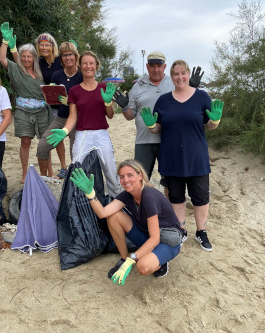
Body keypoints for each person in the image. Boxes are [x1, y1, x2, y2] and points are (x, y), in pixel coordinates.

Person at [141, 60, 224, 252]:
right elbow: (157, 129)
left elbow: (209, 126)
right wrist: (151, 125)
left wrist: (216, 120)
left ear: (188, 75)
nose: (180, 77)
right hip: (171, 156)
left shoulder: (202, 97)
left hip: (196, 155)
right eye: (176, 74)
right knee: (176, 197)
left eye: (183, 73)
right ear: (172, 76)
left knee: (201, 197)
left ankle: (201, 231)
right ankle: (181, 228)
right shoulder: (163, 100)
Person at [70, 159, 183, 282]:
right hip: (148, 236)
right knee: (113, 216)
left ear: (140, 175)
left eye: (130, 175)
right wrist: (90, 194)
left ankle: (162, 261)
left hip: (167, 240)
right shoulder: (127, 195)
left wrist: (133, 257)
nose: (125, 180)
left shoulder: (149, 196)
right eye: (122, 177)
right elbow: (102, 213)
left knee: (143, 266)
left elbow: (155, 239)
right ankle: (123, 259)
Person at [46, 50, 122, 197]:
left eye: (91, 63)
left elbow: (110, 115)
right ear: (80, 66)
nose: (88, 66)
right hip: (82, 134)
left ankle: (117, 200)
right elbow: (73, 116)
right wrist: (64, 131)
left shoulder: (104, 88)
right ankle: (76, 202)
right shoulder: (74, 90)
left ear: (96, 66)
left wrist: (108, 102)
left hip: (101, 133)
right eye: (85, 63)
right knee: (77, 168)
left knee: (111, 170)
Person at [0, 22, 51, 183]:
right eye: (24, 56)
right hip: (23, 110)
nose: (26, 59)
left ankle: (49, 172)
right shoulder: (16, 70)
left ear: (34, 57)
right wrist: (5, 42)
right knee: (25, 142)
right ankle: (24, 173)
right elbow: (1, 58)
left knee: (45, 143)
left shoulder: (41, 70)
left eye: (29, 56)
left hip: (43, 111)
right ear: (20, 57)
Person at [114, 51, 174, 181]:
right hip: (144, 141)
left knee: (171, 182)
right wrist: (124, 107)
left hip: (168, 140)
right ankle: (142, 202)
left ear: (165, 67)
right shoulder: (137, 86)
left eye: (159, 66)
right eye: (152, 65)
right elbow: (130, 116)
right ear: (147, 67)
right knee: (140, 180)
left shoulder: (173, 84)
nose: (156, 69)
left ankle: (169, 202)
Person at [36, 41, 83, 177]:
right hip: (62, 116)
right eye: (64, 55)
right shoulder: (56, 75)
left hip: (79, 118)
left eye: (70, 54)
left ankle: (76, 180)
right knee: (43, 146)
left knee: (75, 151)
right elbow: (54, 101)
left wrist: (71, 101)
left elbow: (88, 99)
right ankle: (44, 178)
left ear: (76, 56)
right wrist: (49, 95)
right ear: (60, 58)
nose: (68, 57)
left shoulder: (81, 75)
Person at [35, 33, 65, 179]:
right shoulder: (39, 62)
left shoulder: (60, 60)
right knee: (50, 138)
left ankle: (64, 167)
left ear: (53, 46)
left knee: (59, 137)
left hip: (63, 103)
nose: (44, 47)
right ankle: (51, 172)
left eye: (47, 44)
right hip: (49, 104)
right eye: (42, 45)